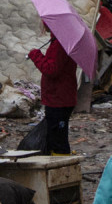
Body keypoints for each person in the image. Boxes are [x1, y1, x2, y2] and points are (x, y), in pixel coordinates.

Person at [27, 25, 78, 154]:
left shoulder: (60, 43)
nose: (42, 24)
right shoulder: (58, 41)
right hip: (58, 97)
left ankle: (61, 167)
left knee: (58, 141)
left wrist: (36, 55)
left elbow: (51, 70)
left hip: (59, 98)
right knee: (55, 137)